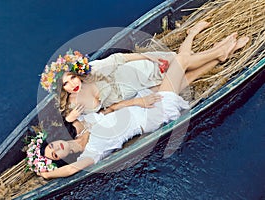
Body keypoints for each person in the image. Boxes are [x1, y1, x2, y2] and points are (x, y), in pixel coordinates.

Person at [36, 31, 249, 179]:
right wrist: (48, 173)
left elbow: (107, 109)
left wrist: (137, 101)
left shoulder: (83, 124)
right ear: (61, 159)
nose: (57, 148)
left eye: (53, 146)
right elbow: (71, 171)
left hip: (140, 102)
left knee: (186, 79)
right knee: (180, 64)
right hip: (148, 116)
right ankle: (219, 51)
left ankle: (222, 54)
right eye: (55, 154)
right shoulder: (89, 155)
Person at [41, 21, 249, 123]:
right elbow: (81, 118)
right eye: (66, 84)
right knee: (184, 72)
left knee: (181, 62)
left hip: (140, 70)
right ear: (63, 90)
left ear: (76, 73)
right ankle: (206, 43)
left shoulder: (92, 71)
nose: (72, 84)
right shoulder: (73, 105)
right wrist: (70, 119)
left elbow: (121, 59)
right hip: (139, 89)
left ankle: (220, 51)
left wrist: (151, 57)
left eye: (71, 77)